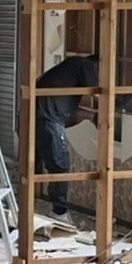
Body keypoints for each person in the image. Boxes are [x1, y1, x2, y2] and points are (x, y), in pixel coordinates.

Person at [34, 54, 99, 217]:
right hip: (49, 122)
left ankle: (22, 208)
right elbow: (98, 93)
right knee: (60, 167)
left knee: (33, 164)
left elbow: (70, 110)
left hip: (34, 119)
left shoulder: (66, 70)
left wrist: (90, 116)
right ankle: (59, 213)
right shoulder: (84, 65)